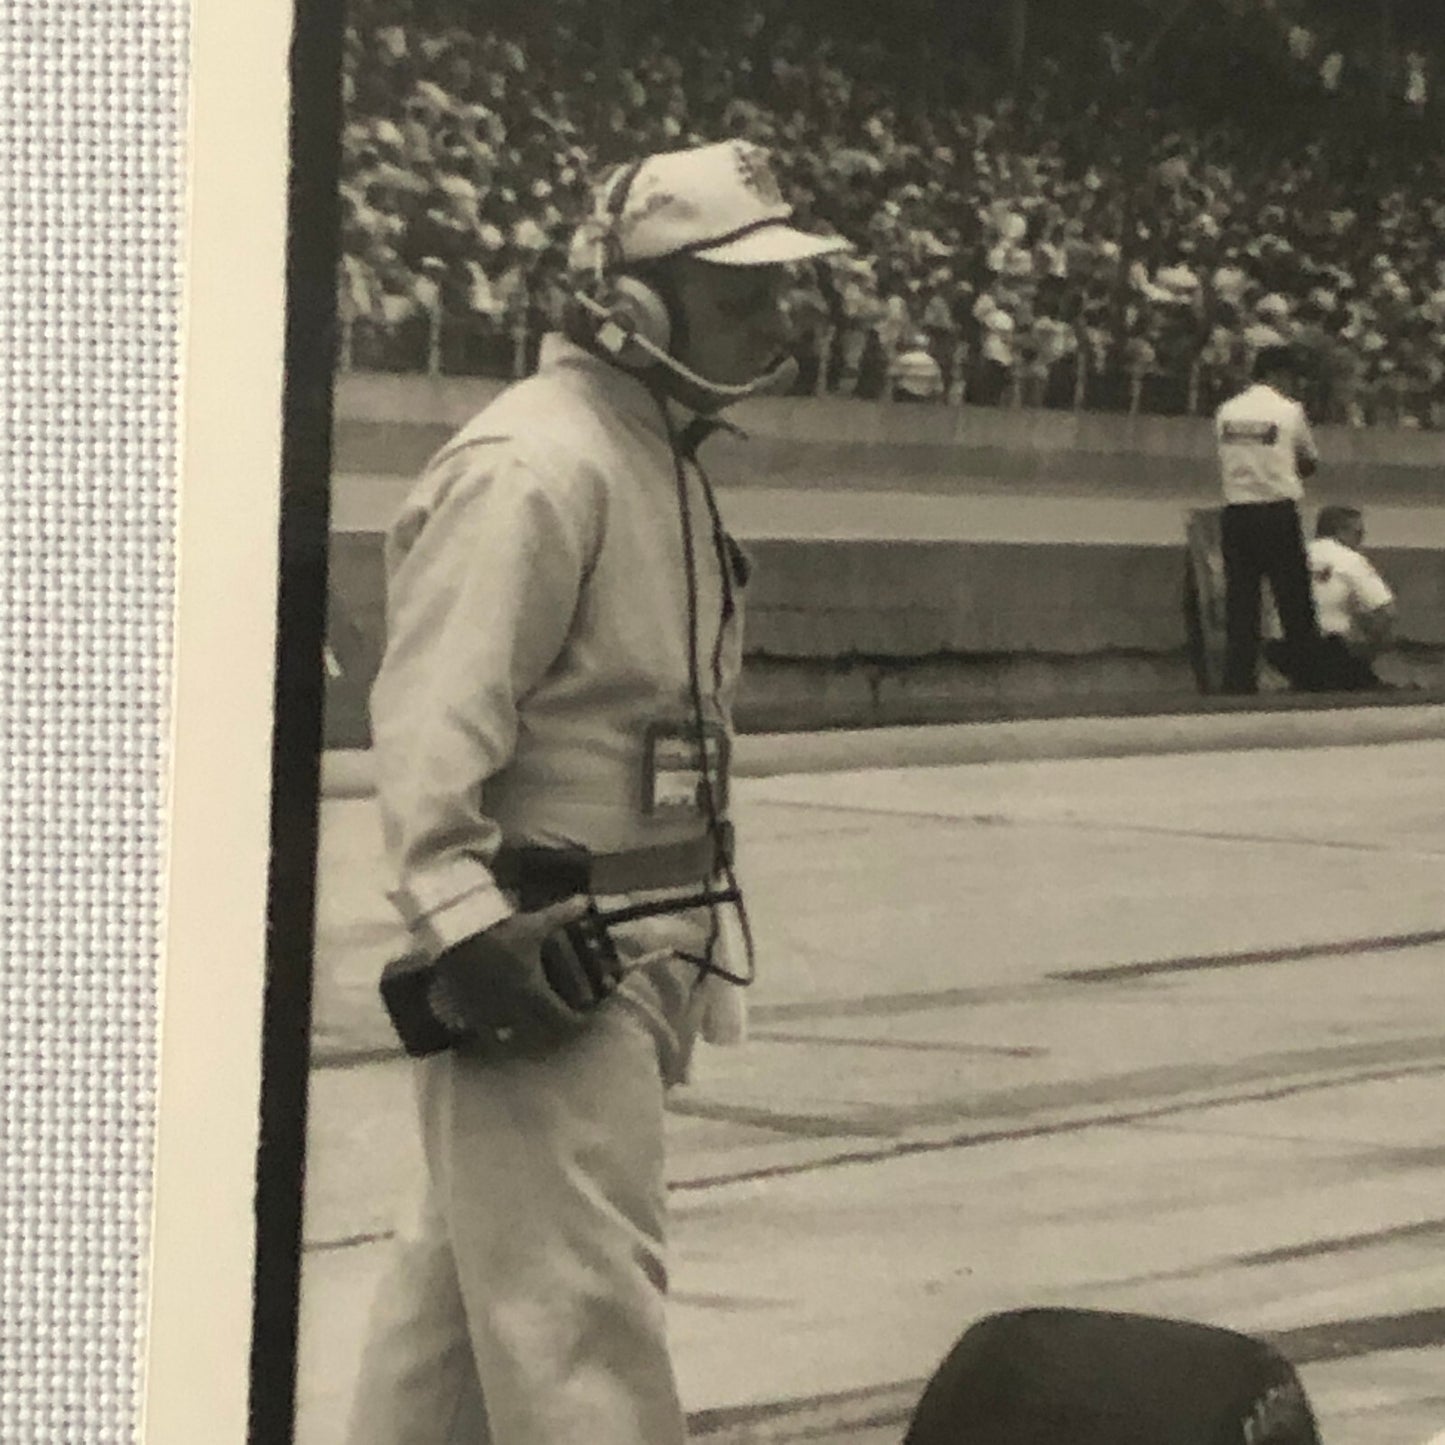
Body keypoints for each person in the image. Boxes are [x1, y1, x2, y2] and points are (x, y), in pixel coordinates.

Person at [344, 139, 848, 1445]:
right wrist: (464, 923)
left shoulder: (651, 457)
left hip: (635, 944)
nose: (777, 317)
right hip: (550, 961)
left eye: (783, 289)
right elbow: (427, 724)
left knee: (452, 1327)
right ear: (630, 303)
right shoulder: (535, 466)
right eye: (742, 292)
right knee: (583, 1335)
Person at [1213, 344, 1323, 693]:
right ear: (1280, 374)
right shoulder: (1289, 410)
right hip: (1277, 510)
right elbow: (1308, 460)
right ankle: (1307, 676)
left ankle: (1238, 680)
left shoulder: (1226, 412)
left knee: (1241, 601)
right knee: (1293, 599)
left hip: (1237, 511)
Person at [1305, 504, 1396, 690]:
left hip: (1282, 650)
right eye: (1359, 533)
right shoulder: (1350, 559)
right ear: (1341, 531)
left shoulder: (1295, 556)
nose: (1362, 539)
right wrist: (1371, 648)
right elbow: (1387, 610)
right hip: (1331, 650)